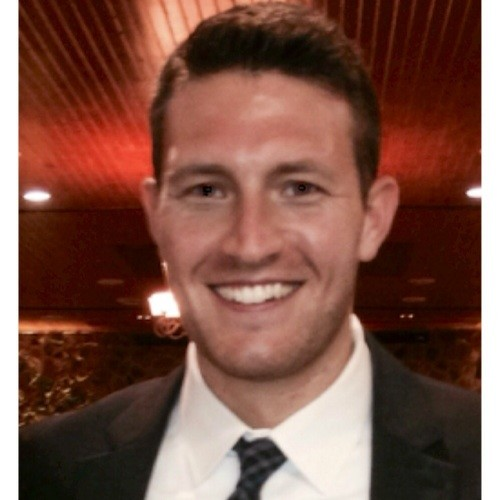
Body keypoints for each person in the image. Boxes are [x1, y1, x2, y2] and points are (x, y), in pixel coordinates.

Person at [20, 3, 480, 499]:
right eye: (206, 191)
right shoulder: (37, 470)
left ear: (373, 218)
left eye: (299, 188)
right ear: (156, 215)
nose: (249, 244)